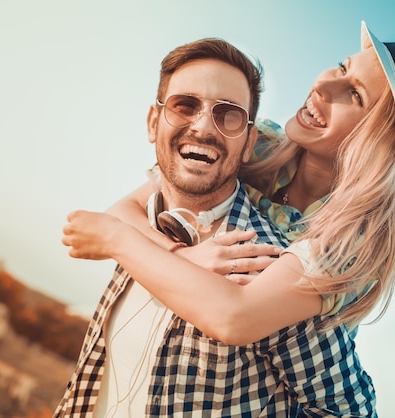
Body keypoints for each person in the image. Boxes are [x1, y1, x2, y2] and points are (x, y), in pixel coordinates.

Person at [56, 36, 378, 417]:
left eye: (355, 94)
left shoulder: (332, 245)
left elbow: (238, 318)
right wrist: (181, 254)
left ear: (246, 140)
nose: (323, 84)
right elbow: (126, 208)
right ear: (153, 121)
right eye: (341, 67)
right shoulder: (172, 211)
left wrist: (118, 240)